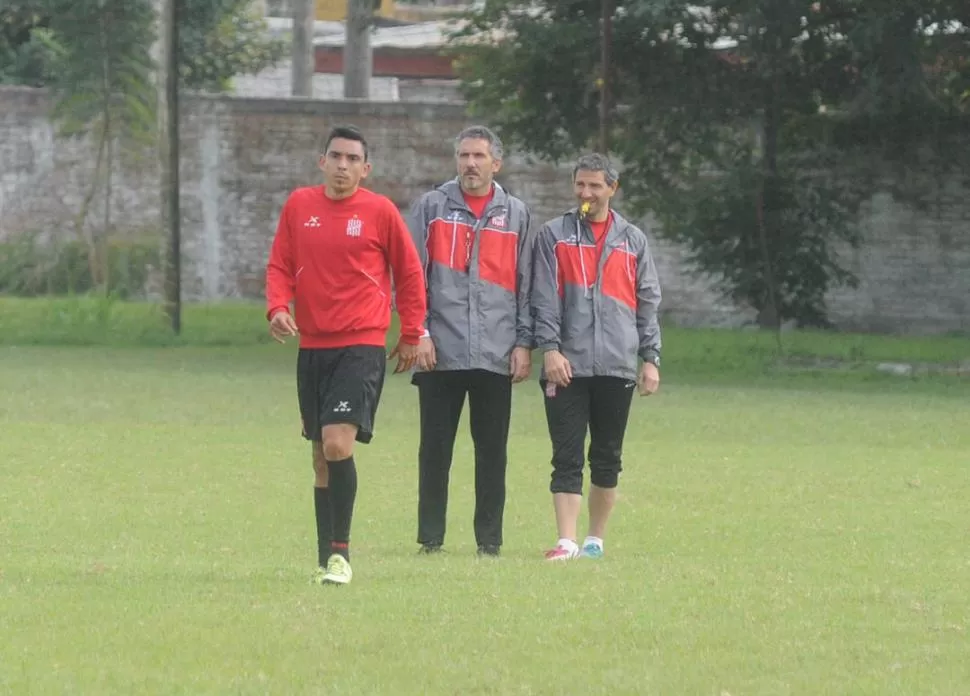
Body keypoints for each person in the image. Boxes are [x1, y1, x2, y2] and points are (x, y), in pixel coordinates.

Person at [265, 125, 433, 585]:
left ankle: (342, 556)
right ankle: (325, 557)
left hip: (361, 343)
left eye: (352, 159)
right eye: (335, 156)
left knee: (339, 442)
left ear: (366, 168)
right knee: (321, 456)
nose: (343, 165)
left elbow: (409, 272)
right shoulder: (300, 205)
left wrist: (412, 331)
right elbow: (280, 264)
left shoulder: (379, 212)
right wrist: (277, 307)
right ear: (322, 161)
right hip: (313, 345)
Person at [405, 125, 535, 557]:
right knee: (435, 449)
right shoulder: (432, 209)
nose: (470, 164)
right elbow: (409, 277)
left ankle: (489, 540)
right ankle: (431, 537)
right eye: (463, 156)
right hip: (439, 350)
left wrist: (523, 343)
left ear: (496, 163)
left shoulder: (516, 214)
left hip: (496, 353)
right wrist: (418, 332)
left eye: (479, 156)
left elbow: (527, 284)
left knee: (492, 451)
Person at [530, 152, 662, 561]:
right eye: (580, 185)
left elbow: (647, 303)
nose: (586, 193)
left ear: (612, 189)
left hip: (617, 364)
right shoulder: (554, 235)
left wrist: (650, 357)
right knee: (565, 454)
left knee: (607, 456)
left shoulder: (633, 240)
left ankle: (594, 542)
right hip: (566, 365)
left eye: (594, 185)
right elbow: (543, 298)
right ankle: (566, 540)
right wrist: (550, 349)